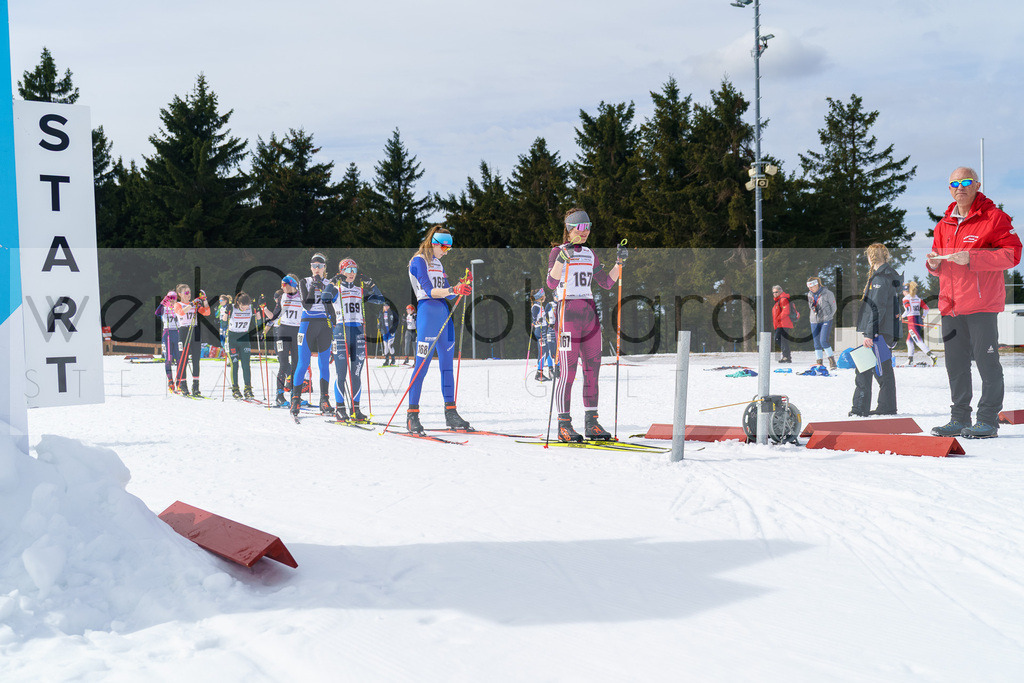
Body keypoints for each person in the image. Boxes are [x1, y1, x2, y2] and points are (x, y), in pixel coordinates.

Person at [927, 166, 1022, 438]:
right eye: (954, 183)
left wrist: (974, 257)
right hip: (950, 306)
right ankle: (959, 418)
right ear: (949, 189)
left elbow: (1012, 255)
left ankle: (988, 420)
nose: (960, 187)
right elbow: (938, 261)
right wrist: (932, 264)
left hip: (981, 306)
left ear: (977, 185)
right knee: (955, 365)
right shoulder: (943, 224)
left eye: (966, 181)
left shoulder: (994, 218)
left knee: (987, 362)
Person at [546, 208, 625, 442]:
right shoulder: (557, 251)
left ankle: (592, 423)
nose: (586, 232)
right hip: (567, 313)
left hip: (589, 313)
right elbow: (551, 283)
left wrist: (619, 263)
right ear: (570, 230)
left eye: (588, 226)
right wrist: (562, 259)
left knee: (592, 370)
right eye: (581, 228)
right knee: (568, 372)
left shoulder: (590, 254)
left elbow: (607, 282)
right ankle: (564, 424)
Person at [406, 225, 474, 434]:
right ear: (434, 243)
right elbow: (430, 290)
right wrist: (452, 289)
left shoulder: (437, 263)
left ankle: (451, 413)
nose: (446, 252)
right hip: (427, 314)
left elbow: (447, 294)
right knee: (421, 367)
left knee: (447, 367)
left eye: (449, 249)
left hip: (444, 316)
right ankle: (412, 415)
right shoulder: (418, 260)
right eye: (445, 247)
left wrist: (461, 287)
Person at [850, 243, 902, 417]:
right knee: (882, 369)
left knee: (867, 368)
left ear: (871, 257)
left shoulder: (881, 278)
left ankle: (860, 408)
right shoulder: (888, 275)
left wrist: (870, 334)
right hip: (884, 330)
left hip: (879, 331)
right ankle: (885, 406)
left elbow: (877, 307)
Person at [331, 258, 384, 421]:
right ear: (342, 272)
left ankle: (356, 409)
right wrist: (331, 283)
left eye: (354, 270)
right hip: (341, 331)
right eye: (349, 270)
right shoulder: (336, 289)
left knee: (356, 373)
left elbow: (380, 300)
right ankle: (339, 409)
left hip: (358, 332)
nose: (352, 273)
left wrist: (372, 285)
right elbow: (325, 297)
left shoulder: (359, 289)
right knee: (341, 373)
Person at [289, 253, 338, 417]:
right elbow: (307, 305)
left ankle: (324, 400)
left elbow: (331, 304)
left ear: (325, 268)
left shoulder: (329, 284)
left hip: (324, 325)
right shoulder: (304, 281)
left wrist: (334, 323)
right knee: (303, 363)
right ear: (311, 268)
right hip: (307, 324)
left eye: (320, 266)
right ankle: (295, 398)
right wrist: (314, 286)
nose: (317, 269)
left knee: (324, 364)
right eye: (314, 266)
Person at [260, 276, 303, 406]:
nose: (282, 287)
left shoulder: (302, 296)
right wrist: (264, 331)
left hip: (297, 331)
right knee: (284, 364)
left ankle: (295, 395)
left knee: (296, 365)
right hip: (283, 331)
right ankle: (279, 395)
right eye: (282, 285)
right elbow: (274, 317)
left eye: (285, 284)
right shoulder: (283, 297)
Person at [172, 284, 211, 396]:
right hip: (184, 331)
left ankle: (196, 386)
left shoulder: (194, 305)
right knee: (183, 359)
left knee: (196, 360)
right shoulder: (177, 304)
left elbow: (207, 312)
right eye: (186, 292)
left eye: (189, 292)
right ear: (180, 294)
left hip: (195, 330)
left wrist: (204, 300)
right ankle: (183, 385)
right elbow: (181, 312)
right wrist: (192, 304)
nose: (189, 294)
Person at [227, 292, 259, 400]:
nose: (245, 309)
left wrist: (258, 310)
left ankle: (248, 388)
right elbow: (222, 321)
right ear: (238, 303)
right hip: (232, 338)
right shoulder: (232, 308)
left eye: (246, 307)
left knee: (246, 365)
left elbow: (258, 321)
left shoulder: (251, 308)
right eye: (242, 307)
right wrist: (226, 311)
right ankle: (235, 389)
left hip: (244, 337)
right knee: (234, 365)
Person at [901, 281, 936, 366]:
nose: (902, 293)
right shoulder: (918, 298)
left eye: (903, 291)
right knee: (909, 341)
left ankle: (932, 356)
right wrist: (923, 317)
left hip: (912, 322)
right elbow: (926, 308)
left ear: (906, 291)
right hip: (917, 319)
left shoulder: (906, 299)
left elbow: (908, 310)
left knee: (918, 341)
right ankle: (910, 360)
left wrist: (901, 317)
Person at [806, 277, 837, 369]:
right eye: (808, 287)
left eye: (811, 286)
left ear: (817, 284)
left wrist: (828, 316)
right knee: (816, 343)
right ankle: (819, 362)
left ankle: (832, 360)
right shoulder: (809, 294)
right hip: (814, 320)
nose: (810, 289)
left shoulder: (828, 293)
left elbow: (833, 307)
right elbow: (810, 306)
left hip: (826, 319)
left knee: (823, 341)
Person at [155, 290, 180, 392]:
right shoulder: (164, 309)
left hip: (177, 333)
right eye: (170, 299)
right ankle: (170, 381)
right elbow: (157, 313)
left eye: (173, 299)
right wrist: (162, 303)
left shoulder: (178, 307)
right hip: (167, 333)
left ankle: (178, 381)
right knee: (168, 359)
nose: (172, 301)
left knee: (179, 358)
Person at [530, 288, 552, 381]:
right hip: (540, 331)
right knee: (543, 352)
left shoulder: (540, 305)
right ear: (540, 296)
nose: (545, 296)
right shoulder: (535, 306)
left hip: (543, 330)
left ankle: (544, 372)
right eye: (544, 295)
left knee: (546, 351)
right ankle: (539, 374)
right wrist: (538, 321)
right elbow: (534, 321)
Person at [771, 285, 794, 363]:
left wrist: (778, 319)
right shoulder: (779, 300)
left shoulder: (783, 299)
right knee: (781, 340)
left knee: (779, 339)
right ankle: (787, 356)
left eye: (776, 292)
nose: (775, 294)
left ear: (780, 291)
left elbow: (786, 311)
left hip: (784, 323)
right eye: (773, 292)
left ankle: (786, 356)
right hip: (781, 324)